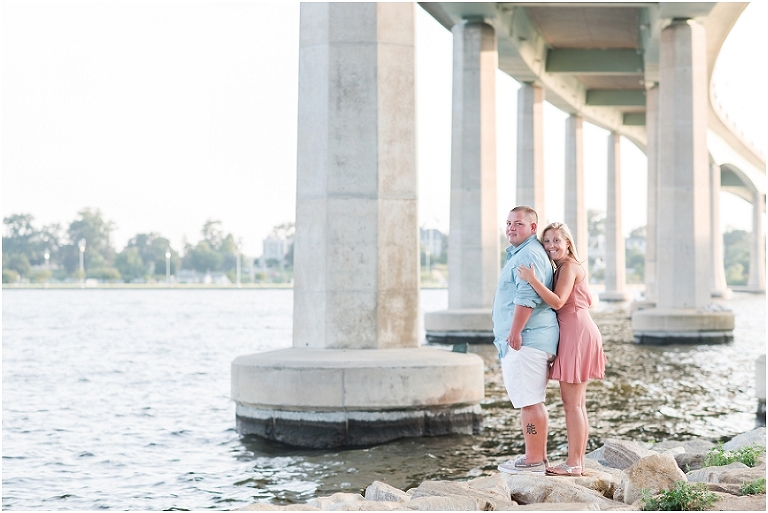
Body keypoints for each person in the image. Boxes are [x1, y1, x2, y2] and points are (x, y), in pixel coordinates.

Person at [517, 222, 606, 477]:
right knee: (577, 404)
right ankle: (577, 461)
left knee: (572, 405)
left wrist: (532, 279)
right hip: (577, 332)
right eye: (546, 241)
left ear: (568, 242)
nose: (551, 245)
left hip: (577, 334)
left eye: (557, 240)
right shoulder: (563, 268)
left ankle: (574, 464)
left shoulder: (568, 268)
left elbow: (557, 302)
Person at [492, 206, 559, 474]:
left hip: (526, 341)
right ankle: (537, 458)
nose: (510, 227)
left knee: (529, 402)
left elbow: (525, 297)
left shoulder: (529, 254)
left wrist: (515, 332)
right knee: (532, 400)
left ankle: (532, 460)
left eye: (518, 223)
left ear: (533, 228)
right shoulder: (525, 253)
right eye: (508, 223)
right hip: (531, 340)